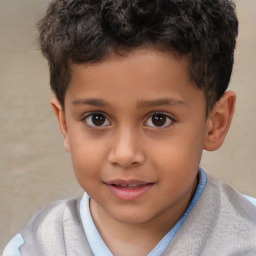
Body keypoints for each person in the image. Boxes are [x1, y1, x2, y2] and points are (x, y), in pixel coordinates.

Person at [2, 0, 256, 255]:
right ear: (65, 125)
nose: (125, 154)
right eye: (97, 119)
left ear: (215, 123)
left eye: (159, 119)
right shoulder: (33, 248)